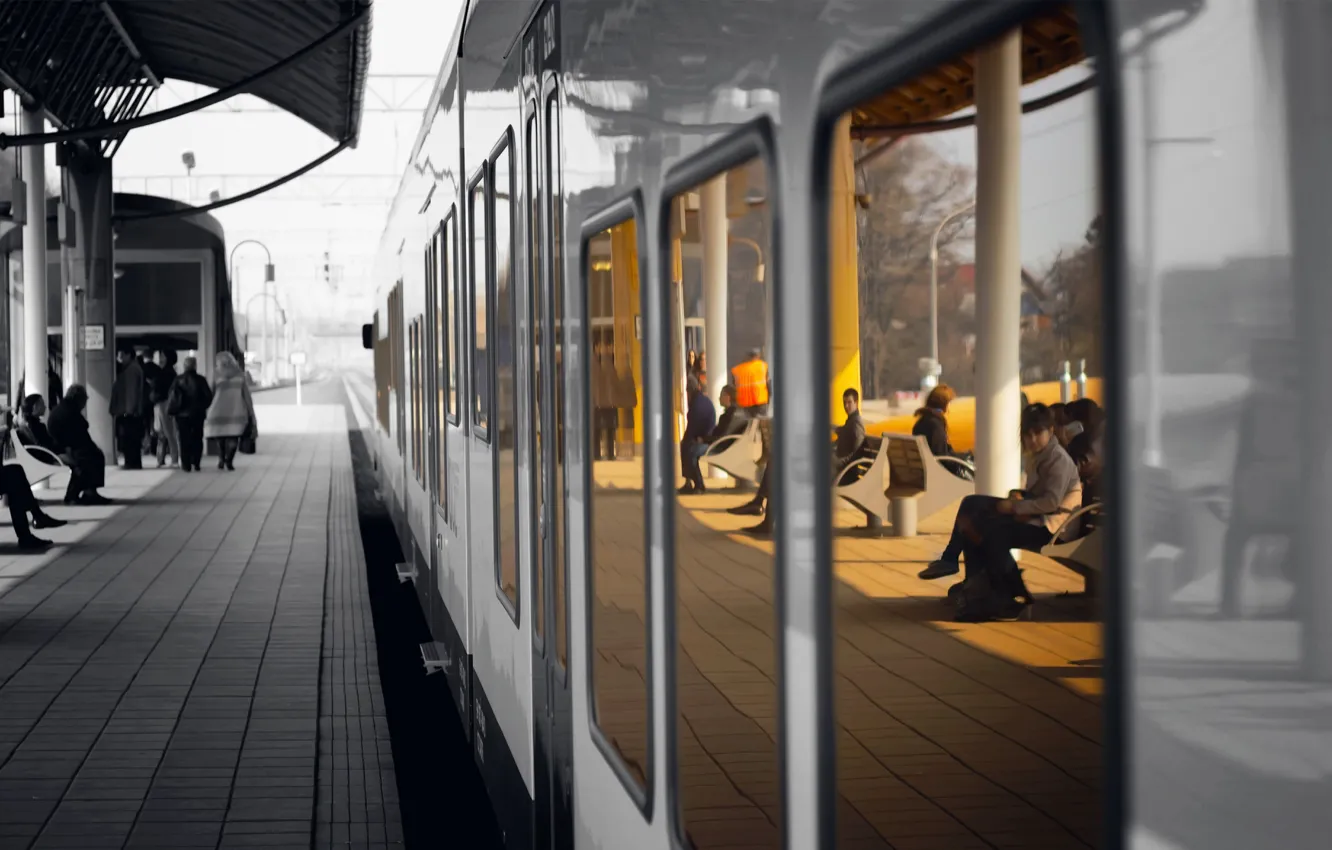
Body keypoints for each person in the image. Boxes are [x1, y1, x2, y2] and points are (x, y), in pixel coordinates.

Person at [919, 403, 1082, 583]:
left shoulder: (1057, 459)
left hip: (1054, 528)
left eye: (1038, 433)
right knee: (971, 504)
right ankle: (964, 574)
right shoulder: (1041, 455)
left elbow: (1051, 502)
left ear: (1050, 431)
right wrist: (1018, 496)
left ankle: (1000, 588)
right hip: (1040, 518)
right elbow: (1040, 495)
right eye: (1028, 435)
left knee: (988, 529)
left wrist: (1014, 507)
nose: (1033, 439)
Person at [47, 384, 111, 506]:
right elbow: (80, 428)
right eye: (84, 400)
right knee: (87, 460)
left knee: (94, 455)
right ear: (78, 398)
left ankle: (90, 491)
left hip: (69, 445)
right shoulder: (67, 411)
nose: (84, 404)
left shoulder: (66, 407)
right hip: (64, 448)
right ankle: (75, 494)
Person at [205, 351, 256, 471]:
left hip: (218, 410)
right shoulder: (240, 375)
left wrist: (205, 408)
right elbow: (246, 396)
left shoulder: (215, 374)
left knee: (220, 437)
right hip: (236, 411)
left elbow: (210, 393)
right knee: (233, 437)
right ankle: (229, 460)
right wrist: (250, 412)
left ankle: (222, 458)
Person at [168, 356, 214, 472]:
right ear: (195, 366)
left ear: (184, 366)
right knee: (197, 438)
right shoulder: (201, 380)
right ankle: (196, 462)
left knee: (183, 439)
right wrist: (202, 407)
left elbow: (172, 397)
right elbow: (209, 397)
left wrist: (174, 410)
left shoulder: (178, 380)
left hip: (182, 415)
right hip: (197, 414)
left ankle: (186, 464)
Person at [110, 349, 150, 469]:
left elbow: (131, 392)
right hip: (130, 410)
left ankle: (131, 462)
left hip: (129, 412)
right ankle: (133, 462)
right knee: (131, 439)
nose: (120, 358)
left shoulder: (131, 370)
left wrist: (129, 410)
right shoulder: (132, 369)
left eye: (122, 355)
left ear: (129, 355)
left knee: (130, 438)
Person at [678, 380, 717, 494]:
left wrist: (699, 439)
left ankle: (698, 484)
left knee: (690, 451)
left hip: (708, 441)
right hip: (706, 438)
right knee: (686, 446)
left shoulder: (697, 404)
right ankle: (689, 482)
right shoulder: (702, 401)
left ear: (689, 392)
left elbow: (693, 427)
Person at [149, 350, 179, 468]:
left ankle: (167, 458)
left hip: (163, 403)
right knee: (166, 432)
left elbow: (158, 388)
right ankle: (168, 458)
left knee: (165, 432)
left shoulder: (164, 373)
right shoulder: (172, 373)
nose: (160, 358)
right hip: (165, 403)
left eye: (163, 355)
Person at [912, 384, 957, 459]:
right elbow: (942, 457)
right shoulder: (936, 424)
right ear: (944, 403)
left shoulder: (922, 421)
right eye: (949, 402)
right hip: (935, 468)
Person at [832, 387, 867, 481]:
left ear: (856, 403)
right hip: (844, 468)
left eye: (849, 402)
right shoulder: (851, 421)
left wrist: (838, 462)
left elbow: (857, 452)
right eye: (844, 403)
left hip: (848, 472)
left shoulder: (856, 422)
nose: (846, 406)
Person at [592, 338, 617, 461]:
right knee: (598, 428)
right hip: (601, 402)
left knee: (607, 428)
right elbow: (597, 384)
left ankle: (606, 453)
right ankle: (598, 454)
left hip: (605, 401)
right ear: (596, 347)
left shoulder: (605, 361)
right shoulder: (596, 363)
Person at [731, 347, 771, 416]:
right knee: (760, 422)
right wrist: (769, 396)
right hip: (760, 400)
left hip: (745, 403)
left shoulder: (737, 369)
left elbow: (734, 384)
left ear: (747, 356)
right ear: (758, 356)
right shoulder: (762, 366)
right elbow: (768, 383)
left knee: (748, 423)